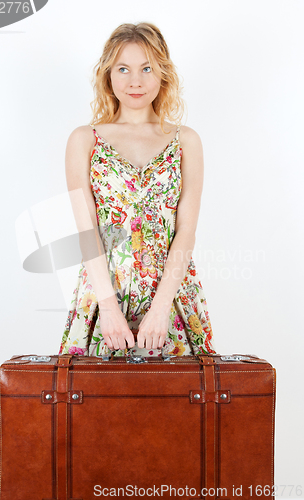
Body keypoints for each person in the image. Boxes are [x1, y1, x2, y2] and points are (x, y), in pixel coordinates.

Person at [58, 22, 216, 358]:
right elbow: (86, 230)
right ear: (108, 75)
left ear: (162, 73)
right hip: (103, 294)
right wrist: (109, 308)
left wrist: (161, 308)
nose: (136, 81)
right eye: (123, 69)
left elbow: (186, 231)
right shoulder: (84, 140)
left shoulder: (185, 140)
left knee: (181, 405)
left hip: (171, 294)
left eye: (147, 68)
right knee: (95, 405)